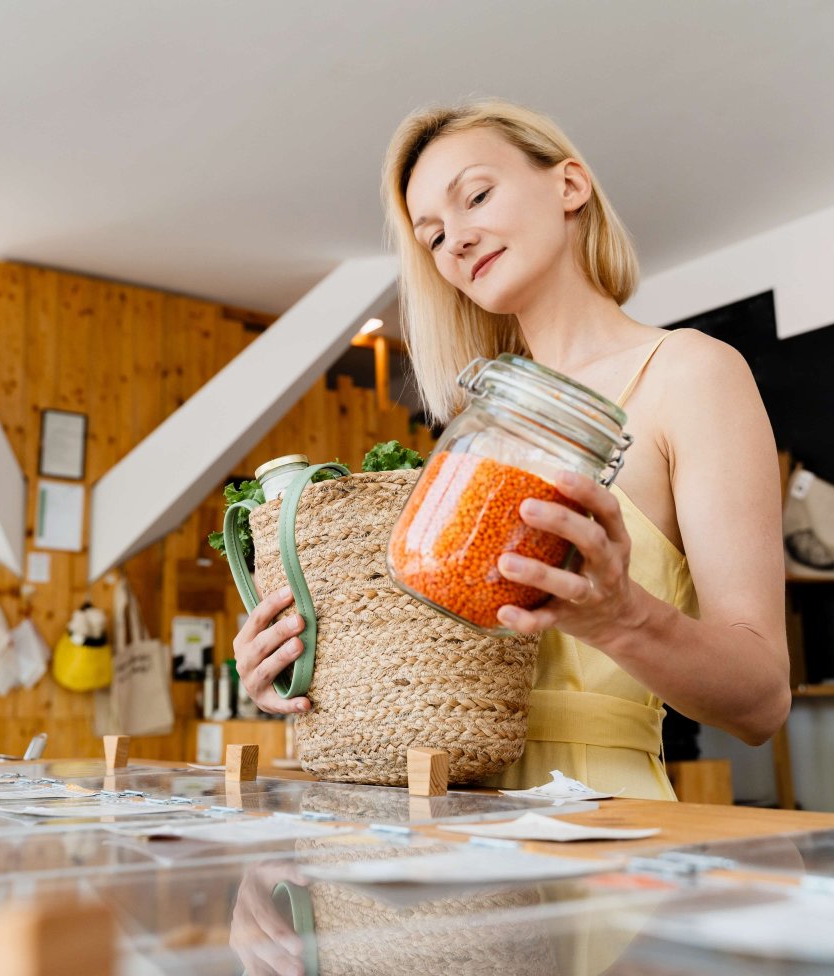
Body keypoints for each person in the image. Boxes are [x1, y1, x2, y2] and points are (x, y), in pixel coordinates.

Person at [234, 99, 789, 798]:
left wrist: (624, 618)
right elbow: (432, 662)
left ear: (569, 185)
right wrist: (301, 662)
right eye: (433, 237)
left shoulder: (692, 373)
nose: (456, 241)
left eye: (476, 196)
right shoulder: (482, 427)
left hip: (601, 827)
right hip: (450, 831)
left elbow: (763, 702)